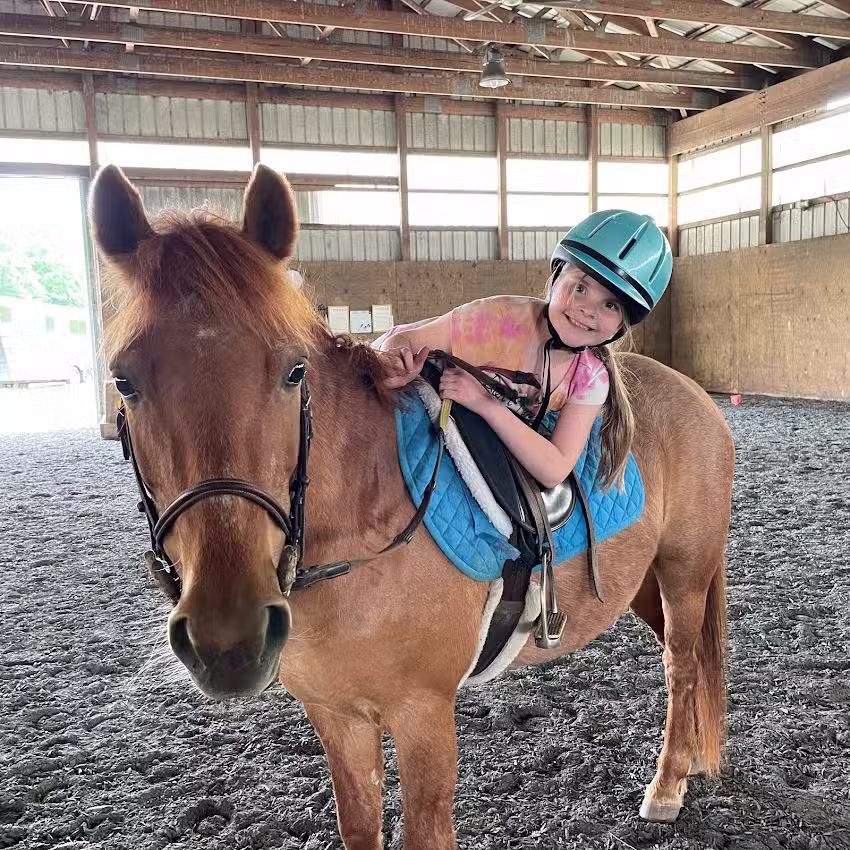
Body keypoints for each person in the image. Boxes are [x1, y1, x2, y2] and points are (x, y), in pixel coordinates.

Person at [375, 210, 672, 490]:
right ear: (556, 279)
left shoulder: (591, 378)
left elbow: (555, 468)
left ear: (623, 323)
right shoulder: (498, 320)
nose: (587, 310)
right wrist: (393, 364)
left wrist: (484, 403)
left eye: (610, 305)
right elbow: (404, 340)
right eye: (580, 288)